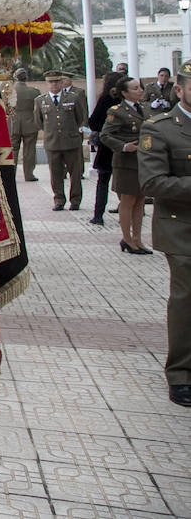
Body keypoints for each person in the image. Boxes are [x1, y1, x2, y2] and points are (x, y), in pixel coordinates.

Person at [136, 61, 191, 408]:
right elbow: (153, 183)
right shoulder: (161, 128)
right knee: (186, 301)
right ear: (180, 90)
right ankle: (182, 373)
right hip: (182, 228)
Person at [102, 75, 154, 254]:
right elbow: (105, 135)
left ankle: (137, 239)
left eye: (139, 87)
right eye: (135, 88)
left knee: (140, 201)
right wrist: (124, 147)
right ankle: (127, 238)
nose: (140, 90)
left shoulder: (144, 108)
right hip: (126, 163)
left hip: (143, 162)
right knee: (128, 201)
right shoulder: (117, 111)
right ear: (124, 93)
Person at [37, 69, 84, 211]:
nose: (54, 85)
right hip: (52, 142)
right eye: (51, 82)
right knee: (55, 174)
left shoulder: (73, 98)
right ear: (46, 83)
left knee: (75, 174)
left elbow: (79, 117)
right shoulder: (40, 101)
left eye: (57, 81)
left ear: (62, 82)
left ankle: (75, 200)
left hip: (71, 141)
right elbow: (39, 122)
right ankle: (59, 199)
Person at [87, 71, 126, 226]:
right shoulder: (125, 99)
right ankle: (128, 211)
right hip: (124, 144)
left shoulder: (105, 99)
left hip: (107, 146)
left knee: (103, 182)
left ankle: (98, 215)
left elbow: (93, 122)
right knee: (124, 181)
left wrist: (104, 130)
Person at [9, 67, 41, 183]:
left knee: (13, 150)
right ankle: (29, 174)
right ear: (26, 77)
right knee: (29, 150)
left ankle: (11, 174)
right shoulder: (34, 91)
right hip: (30, 123)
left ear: (15, 77)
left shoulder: (9, 91)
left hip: (14, 123)